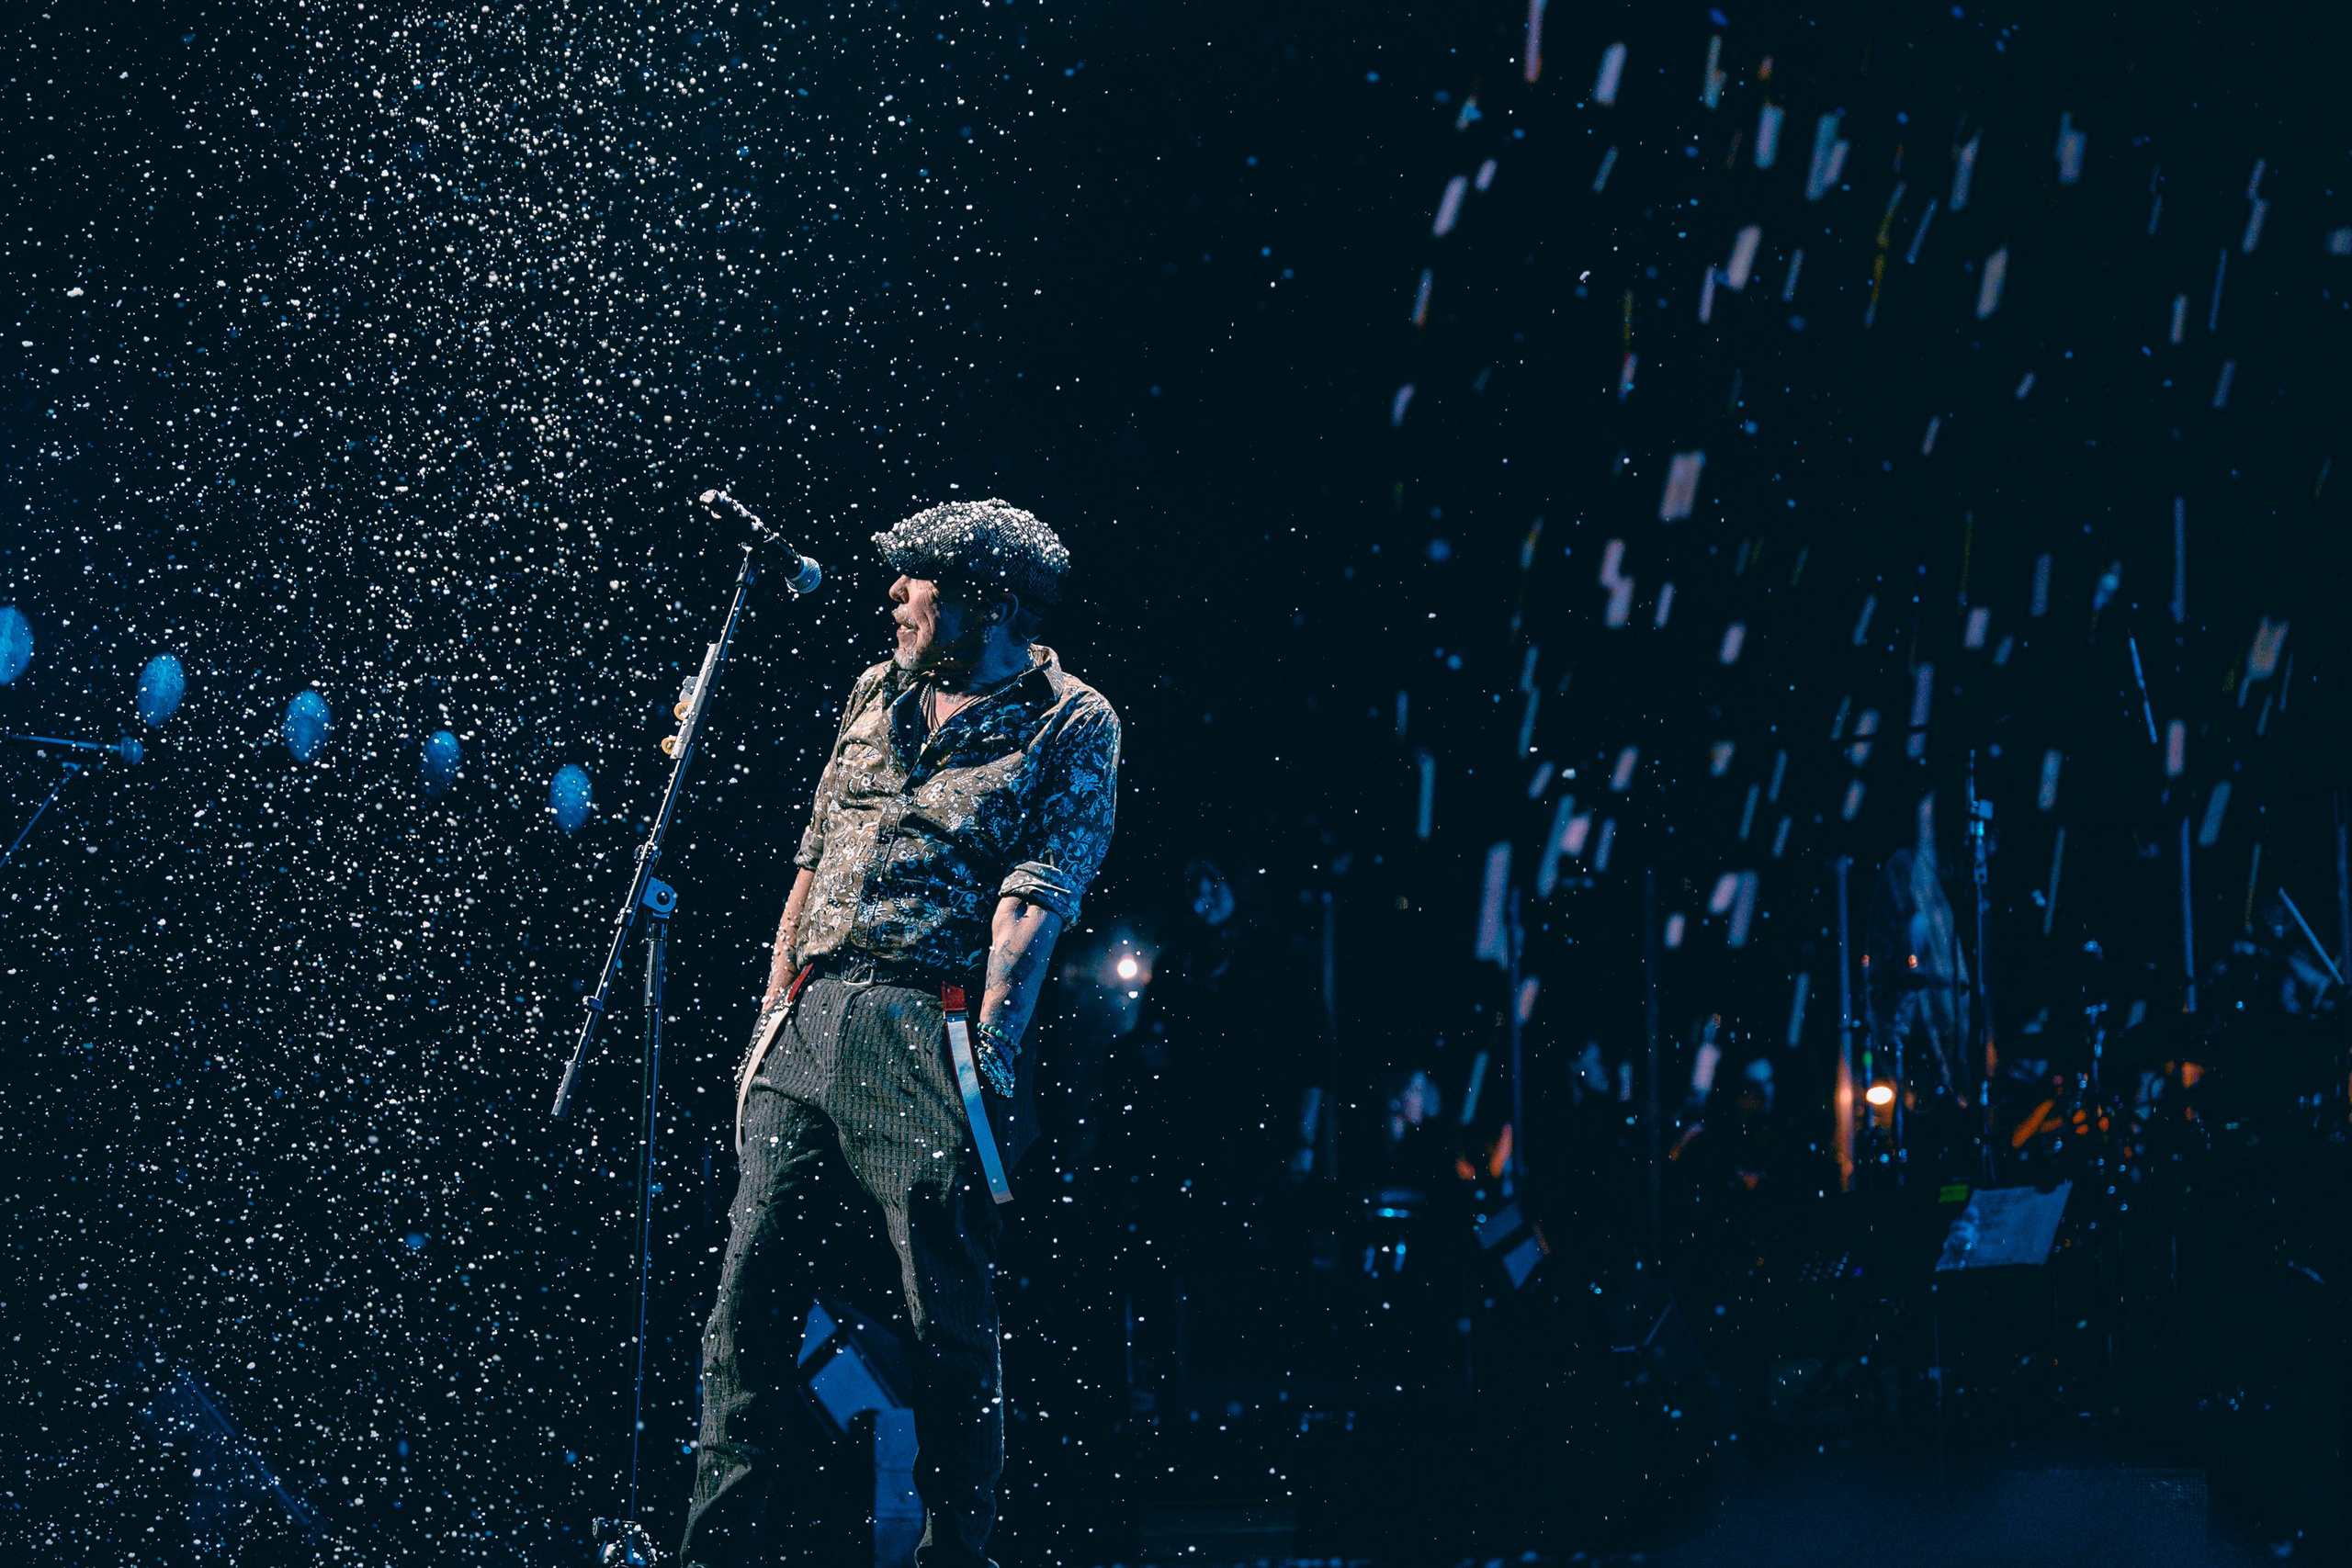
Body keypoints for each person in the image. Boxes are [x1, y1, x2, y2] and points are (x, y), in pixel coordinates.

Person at [681, 498, 1122, 1568]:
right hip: (813, 1008)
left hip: (930, 1024)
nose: (894, 595)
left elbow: (1030, 908)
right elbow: (810, 862)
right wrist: (768, 1021)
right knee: (746, 1298)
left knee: (943, 1320)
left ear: (990, 599)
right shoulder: (876, 691)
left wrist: (987, 1068)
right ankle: (717, 1548)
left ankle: (953, 1550)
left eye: (917, 578)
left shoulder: (1070, 720)